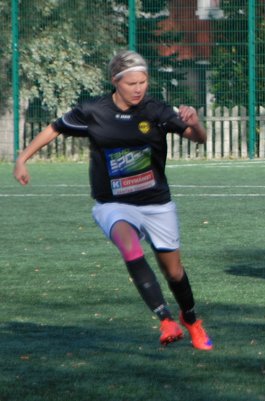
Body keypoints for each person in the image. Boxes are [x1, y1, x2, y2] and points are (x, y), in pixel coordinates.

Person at [13, 50, 213, 351]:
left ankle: (191, 320)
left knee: (173, 272)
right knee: (129, 246)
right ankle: (165, 320)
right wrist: (22, 159)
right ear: (114, 81)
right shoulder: (94, 111)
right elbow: (55, 128)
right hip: (113, 204)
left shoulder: (156, 111)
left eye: (143, 82)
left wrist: (196, 123)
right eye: (132, 83)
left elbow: (199, 138)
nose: (138, 89)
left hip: (157, 204)